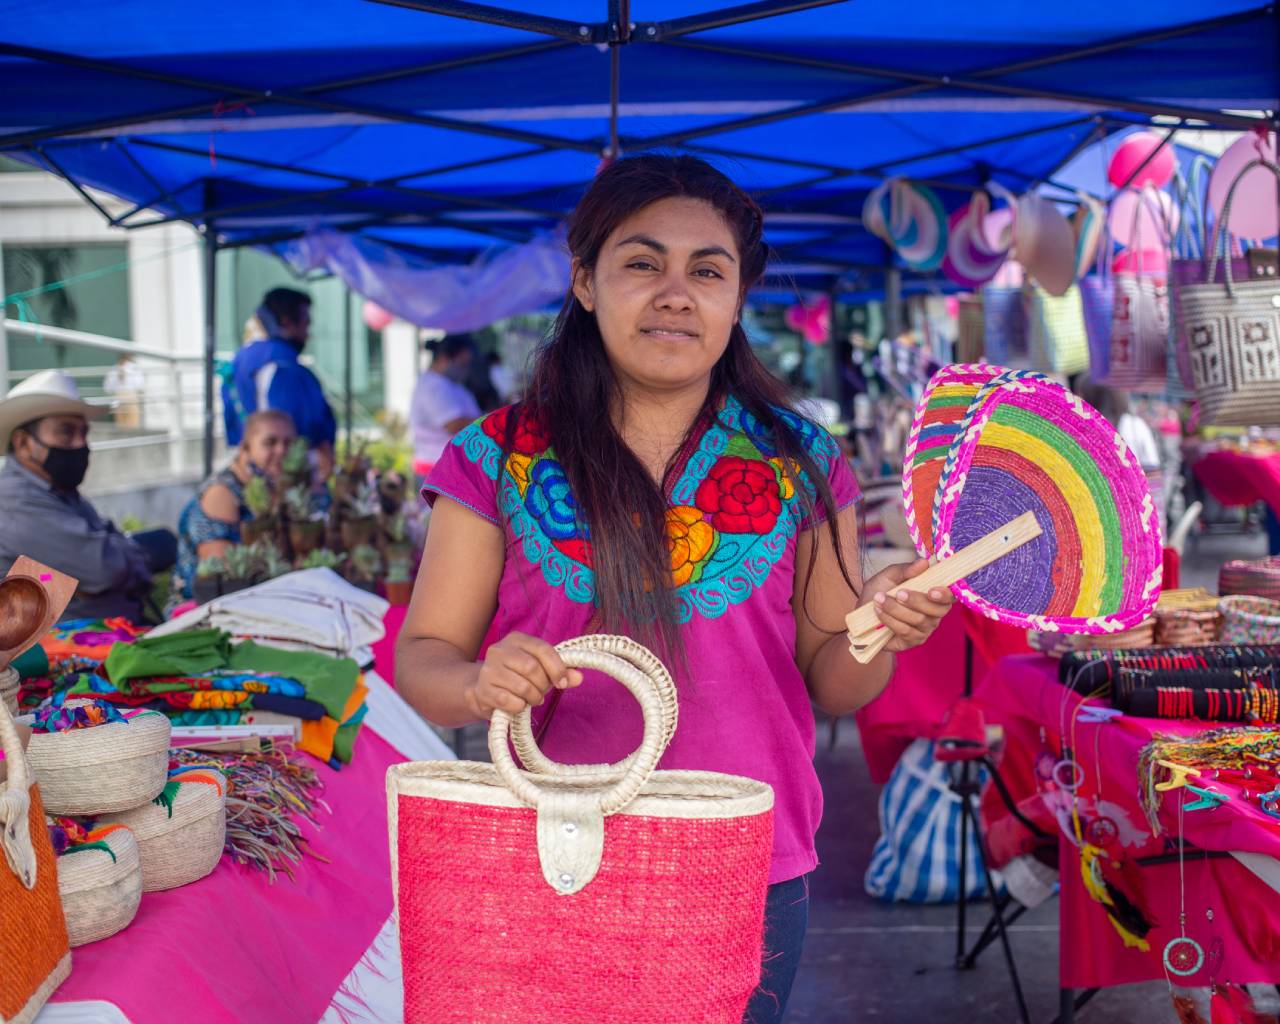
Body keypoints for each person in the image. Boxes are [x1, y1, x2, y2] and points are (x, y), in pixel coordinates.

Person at [396, 155, 953, 1023]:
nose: (675, 293)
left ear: (739, 298)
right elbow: (424, 657)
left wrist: (880, 625)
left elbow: (834, 679)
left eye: (708, 271)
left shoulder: (801, 461)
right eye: (641, 263)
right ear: (585, 281)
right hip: (553, 849)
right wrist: (478, 681)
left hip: (748, 860)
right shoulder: (495, 456)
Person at [0, 370, 175, 621]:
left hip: (111, 632)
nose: (80, 444)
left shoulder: (59, 491)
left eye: (84, 432)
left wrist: (113, 558)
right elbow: (105, 568)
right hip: (68, 648)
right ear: (23, 443)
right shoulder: (15, 501)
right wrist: (124, 557)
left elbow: (105, 554)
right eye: (66, 432)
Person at [173, 409, 297, 599]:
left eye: (288, 443)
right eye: (270, 442)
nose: (281, 450)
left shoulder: (276, 486)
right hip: (203, 609)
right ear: (245, 448)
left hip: (263, 597)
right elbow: (222, 574)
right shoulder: (222, 492)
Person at [223, 287, 336, 477]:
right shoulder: (282, 367)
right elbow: (285, 433)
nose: (308, 334)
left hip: (247, 470)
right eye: (306, 324)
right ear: (287, 322)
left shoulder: (240, 359)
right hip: (281, 478)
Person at [409, 333, 481, 477]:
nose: (465, 369)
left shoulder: (448, 384)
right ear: (444, 359)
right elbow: (454, 424)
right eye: (462, 364)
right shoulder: (434, 386)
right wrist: (492, 421)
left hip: (447, 467)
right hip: (438, 469)